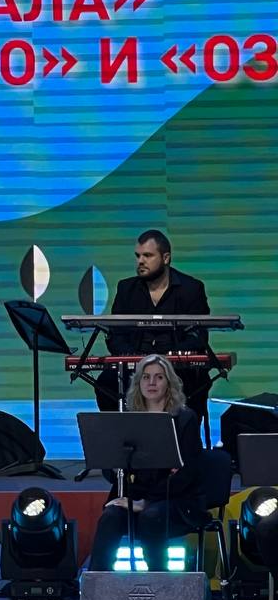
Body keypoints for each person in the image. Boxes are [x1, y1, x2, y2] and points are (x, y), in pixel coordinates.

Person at [89, 354, 231, 571]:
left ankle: (159, 584)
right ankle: (97, 584)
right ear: (138, 383)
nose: (152, 383)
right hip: (136, 497)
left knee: (151, 517)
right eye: (146, 377)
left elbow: (186, 474)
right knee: (110, 517)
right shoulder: (128, 418)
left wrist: (145, 502)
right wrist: (114, 464)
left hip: (178, 501)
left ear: (169, 383)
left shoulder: (185, 418)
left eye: (159, 377)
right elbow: (113, 472)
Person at [96, 230, 212, 422]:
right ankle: (123, 435)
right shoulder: (126, 289)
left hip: (178, 367)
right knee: (106, 382)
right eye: (138, 256)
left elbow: (198, 337)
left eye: (147, 255)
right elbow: (116, 335)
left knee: (197, 383)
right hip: (134, 365)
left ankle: (184, 437)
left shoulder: (191, 288)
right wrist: (138, 360)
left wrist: (165, 360)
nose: (140, 261)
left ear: (166, 258)